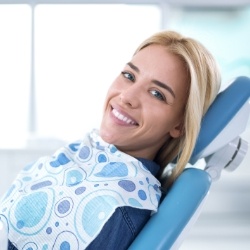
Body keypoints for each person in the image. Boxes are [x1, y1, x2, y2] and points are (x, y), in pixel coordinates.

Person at [0, 30, 221, 250]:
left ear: (180, 124)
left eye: (156, 94)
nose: (127, 97)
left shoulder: (114, 209)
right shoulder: (84, 154)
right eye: (129, 76)